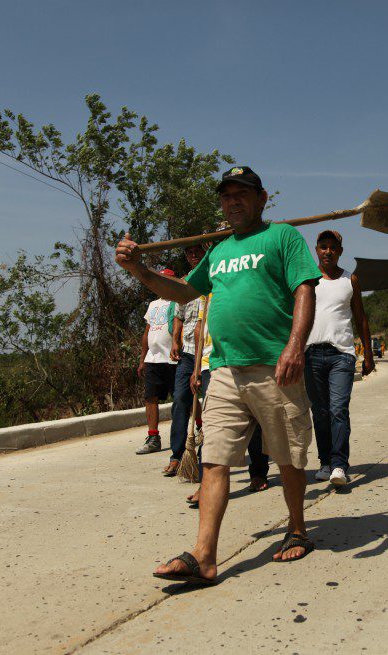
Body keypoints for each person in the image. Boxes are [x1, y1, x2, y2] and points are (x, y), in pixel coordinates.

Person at [115, 165, 322, 585]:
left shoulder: (282, 237)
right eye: (227, 196)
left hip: (273, 366)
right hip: (224, 369)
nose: (233, 201)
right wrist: (140, 270)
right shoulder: (220, 250)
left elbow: (305, 288)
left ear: (262, 198)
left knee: (288, 456)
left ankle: (297, 526)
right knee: (214, 461)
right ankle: (204, 555)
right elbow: (183, 291)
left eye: (242, 194)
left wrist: (294, 346)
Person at [185, 293, 270, 507]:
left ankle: (258, 473)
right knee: (212, 426)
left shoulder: (236, 279)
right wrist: (195, 368)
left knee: (254, 419)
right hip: (209, 363)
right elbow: (199, 329)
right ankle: (207, 484)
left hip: (240, 356)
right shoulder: (206, 291)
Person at [304, 230, 374, 487]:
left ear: (340, 251)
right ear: (316, 250)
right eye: (323, 246)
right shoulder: (307, 280)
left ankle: (339, 466)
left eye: (333, 247)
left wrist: (368, 354)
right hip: (311, 354)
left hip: (341, 355)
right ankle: (325, 463)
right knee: (320, 413)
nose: (328, 251)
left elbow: (361, 317)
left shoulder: (349, 279)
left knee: (338, 410)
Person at [163, 245, 208, 476]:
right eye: (189, 253)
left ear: (205, 254)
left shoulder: (212, 276)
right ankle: (177, 456)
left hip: (209, 352)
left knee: (210, 406)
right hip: (188, 351)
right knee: (180, 399)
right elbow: (179, 316)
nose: (193, 256)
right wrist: (175, 341)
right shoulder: (183, 282)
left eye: (197, 252)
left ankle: (205, 462)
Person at [135, 268, 178, 455]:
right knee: (150, 397)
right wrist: (143, 358)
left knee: (182, 397)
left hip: (172, 358)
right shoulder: (153, 304)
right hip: (153, 358)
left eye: (166, 280)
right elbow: (147, 332)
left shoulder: (179, 301)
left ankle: (199, 427)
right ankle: (153, 437)